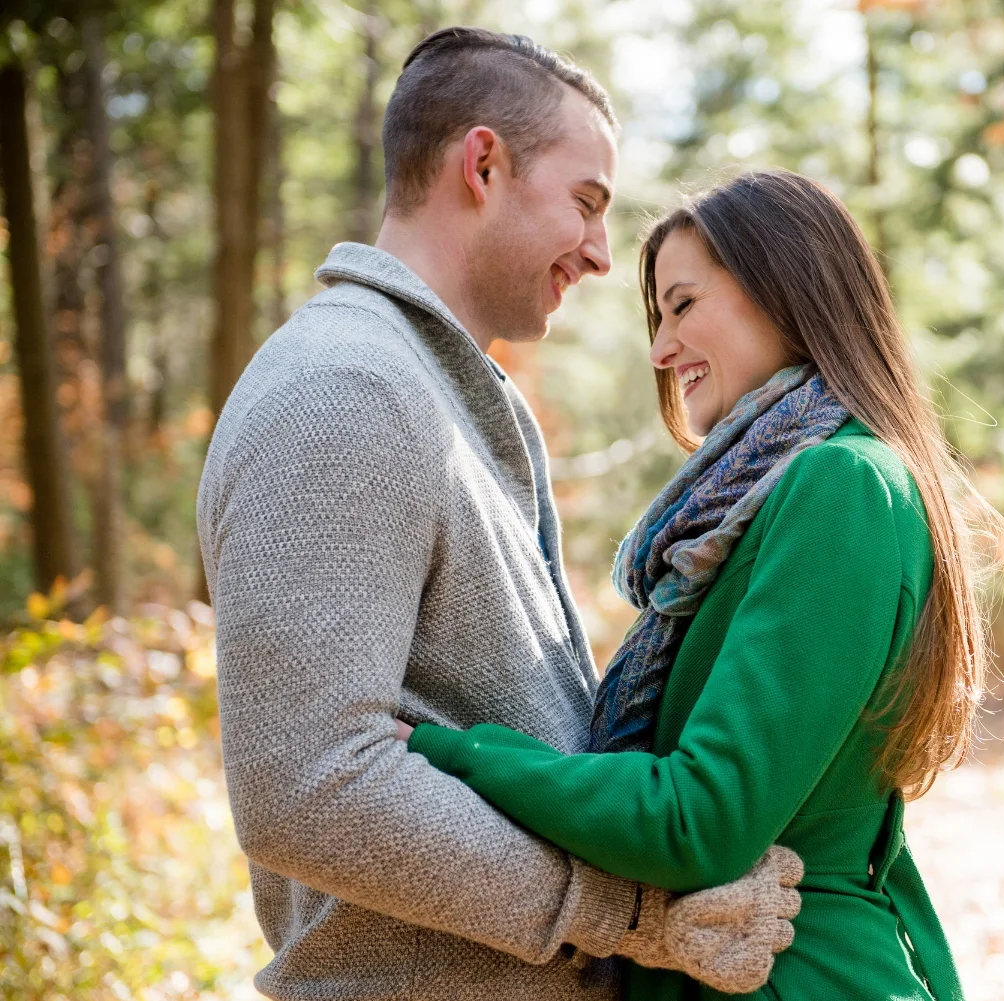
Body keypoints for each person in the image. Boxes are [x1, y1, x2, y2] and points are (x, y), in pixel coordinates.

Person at [197, 28, 799, 1001]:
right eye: (587, 203)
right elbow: (305, 784)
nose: (604, 254)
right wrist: (632, 914)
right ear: (482, 164)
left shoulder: (439, 394)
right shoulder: (347, 388)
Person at [402, 169, 996, 1000]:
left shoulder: (841, 486)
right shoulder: (772, 498)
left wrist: (456, 752)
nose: (659, 348)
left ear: (785, 290)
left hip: (798, 971)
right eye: (656, 317)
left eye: (682, 305)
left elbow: (701, 818)